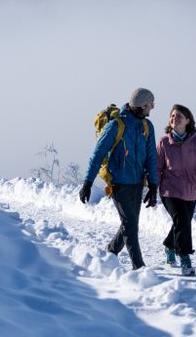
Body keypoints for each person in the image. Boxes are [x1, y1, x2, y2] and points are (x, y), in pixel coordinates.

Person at [79, 87, 159, 270]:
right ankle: (139, 267)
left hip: (137, 184)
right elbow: (97, 154)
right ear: (142, 105)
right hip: (119, 184)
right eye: (151, 104)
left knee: (129, 225)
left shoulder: (147, 126)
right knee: (130, 224)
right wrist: (87, 183)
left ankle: (110, 252)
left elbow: (151, 157)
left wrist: (153, 185)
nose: (152, 108)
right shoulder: (116, 126)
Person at [157, 103, 196, 276]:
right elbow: (157, 168)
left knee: (182, 223)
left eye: (179, 116)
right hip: (169, 191)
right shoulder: (164, 142)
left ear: (188, 120)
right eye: (172, 116)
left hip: (190, 192)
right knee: (181, 220)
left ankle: (169, 245)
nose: (175, 118)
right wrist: (151, 188)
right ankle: (185, 259)